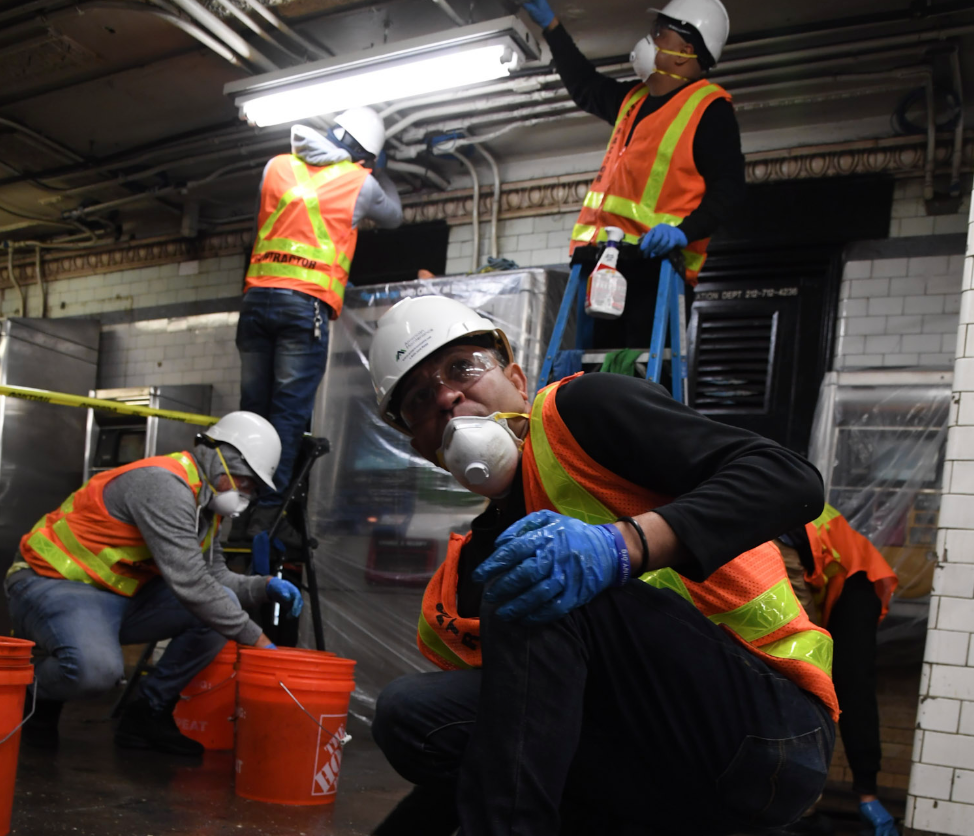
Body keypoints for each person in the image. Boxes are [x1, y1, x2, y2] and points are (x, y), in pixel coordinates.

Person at [365, 295, 836, 836]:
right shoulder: (473, 565)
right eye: (420, 399)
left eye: (462, 368)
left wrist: (624, 546)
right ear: (421, 446)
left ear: (518, 380)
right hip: (649, 762)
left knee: (538, 575)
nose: (447, 396)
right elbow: (506, 740)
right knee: (409, 713)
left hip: (766, 734)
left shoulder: (580, 414)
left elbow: (790, 481)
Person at [4, 412, 305, 757]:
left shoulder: (204, 506)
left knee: (221, 603)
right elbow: (191, 583)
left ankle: (147, 712)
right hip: (52, 583)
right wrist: (260, 643)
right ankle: (32, 691)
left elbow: (214, 579)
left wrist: (263, 587)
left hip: (117, 596)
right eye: (247, 481)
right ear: (222, 458)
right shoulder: (165, 485)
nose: (247, 493)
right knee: (95, 672)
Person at [521, 0, 745, 350]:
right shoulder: (633, 101)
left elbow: (729, 190)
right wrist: (552, 28)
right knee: (595, 378)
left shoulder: (709, 109)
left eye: (660, 34)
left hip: (656, 271)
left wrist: (681, 233)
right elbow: (585, 85)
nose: (649, 40)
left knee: (638, 385)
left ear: (685, 52)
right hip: (602, 262)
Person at [238, 107, 403, 545]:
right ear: (364, 153)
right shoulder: (360, 182)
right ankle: (268, 520)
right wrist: (379, 172)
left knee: (251, 412)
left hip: (256, 302)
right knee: (288, 417)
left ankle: (237, 504)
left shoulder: (277, 166)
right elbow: (396, 215)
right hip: (303, 309)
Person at [774, 504, 900, 836]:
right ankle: (797, 809)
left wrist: (865, 790)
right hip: (792, 548)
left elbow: (853, 688)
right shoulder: (857, 589)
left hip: (843, 569)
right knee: (798, 679)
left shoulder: (855, 597)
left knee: (830, 683)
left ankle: (831, 802)